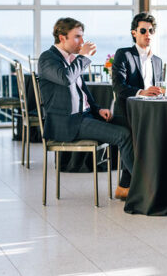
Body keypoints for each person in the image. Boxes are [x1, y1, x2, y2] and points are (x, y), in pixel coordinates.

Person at [38, 18, 134, 199]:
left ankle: (125, 186)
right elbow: (66, 78)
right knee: (123, 135)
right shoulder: (47, 58)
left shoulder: (72, 59)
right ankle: (141, 187)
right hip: (69, 122)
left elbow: (83, 92)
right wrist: (84, 57)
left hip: (86, 117)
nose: (81, 42)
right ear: (62, 37)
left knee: (132, 125)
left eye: (82, 37)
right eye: (77, 37)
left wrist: (97, 110)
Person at [111, 12, 164, 194]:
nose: (147, 34)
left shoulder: (157, 61)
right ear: (134, 33)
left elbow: (158, 88)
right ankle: (141, 186)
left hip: (151, 113)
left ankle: (126, 186)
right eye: (143, 30)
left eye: (151, 30)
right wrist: (142, 92)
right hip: (128, 112)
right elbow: (119, 86)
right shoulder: (123, 54)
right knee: (138, 141)